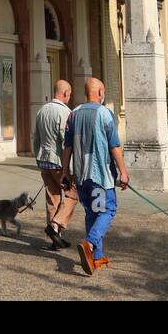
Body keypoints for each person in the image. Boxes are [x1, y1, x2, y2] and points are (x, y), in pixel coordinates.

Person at [61, 77, 129, 276]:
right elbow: (114, 146)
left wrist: (65, 171)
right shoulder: (104, 114)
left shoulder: (73, 114)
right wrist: (123, 172)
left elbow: (67, 146)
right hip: (101, 175)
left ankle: (96, 258)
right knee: (107, 211)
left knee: (92, 213)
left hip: (81, 176)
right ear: (100, 93)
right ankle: (90, 244)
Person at [33, 79, 78, 250]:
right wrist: (70, 167)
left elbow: (36, 137)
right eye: (69, 94)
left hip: (44, 160)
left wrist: (38, 158)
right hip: (59, 162)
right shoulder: (65, 112)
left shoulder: (41, 110)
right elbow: (65, 141)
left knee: (53, 199)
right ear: (66, 93)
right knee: (73, 195)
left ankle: (56, 239)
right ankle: (55, 225)